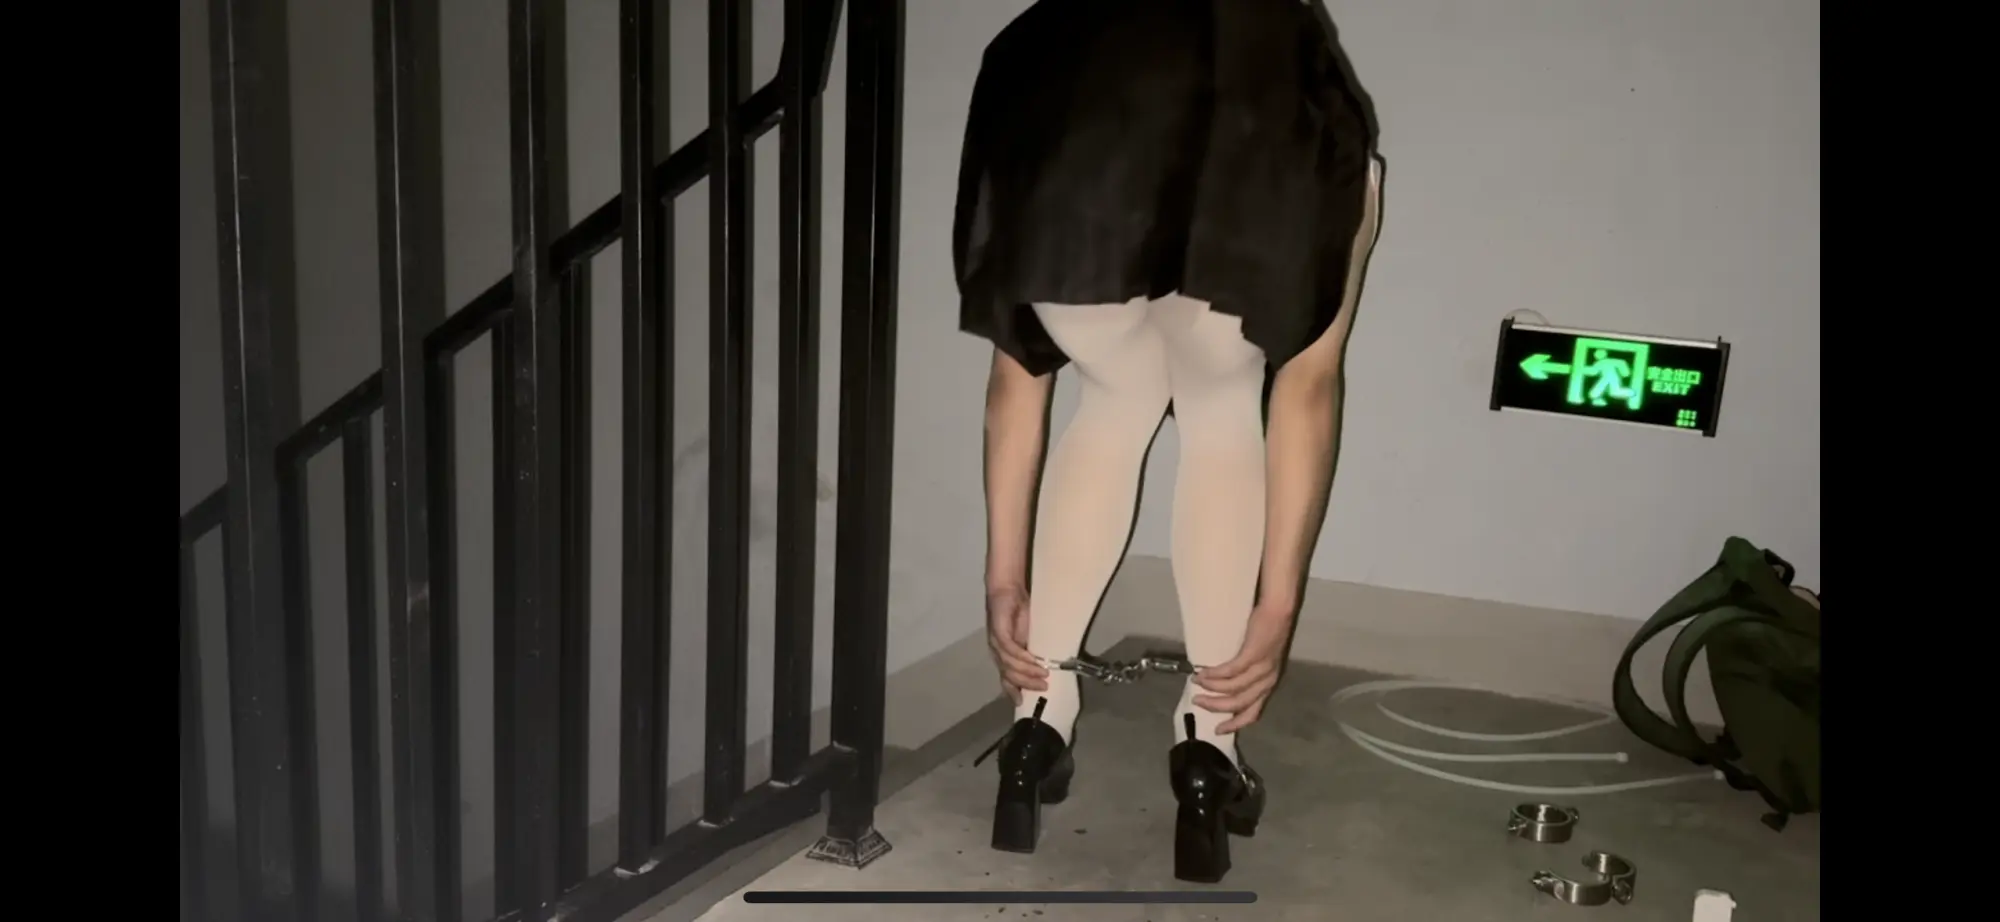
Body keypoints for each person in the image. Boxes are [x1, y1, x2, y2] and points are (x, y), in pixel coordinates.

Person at [953, 0, 1384, 884]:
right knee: (1225, 406)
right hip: (1266, 100)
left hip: (1069, 99)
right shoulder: (1280, 44)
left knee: (1113, 394)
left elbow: (1015, 378)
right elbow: (1306, 392)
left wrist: (1003, 579)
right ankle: (1207, 753)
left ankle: (1036, 725)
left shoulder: (1043, 51)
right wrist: (1277, 607)